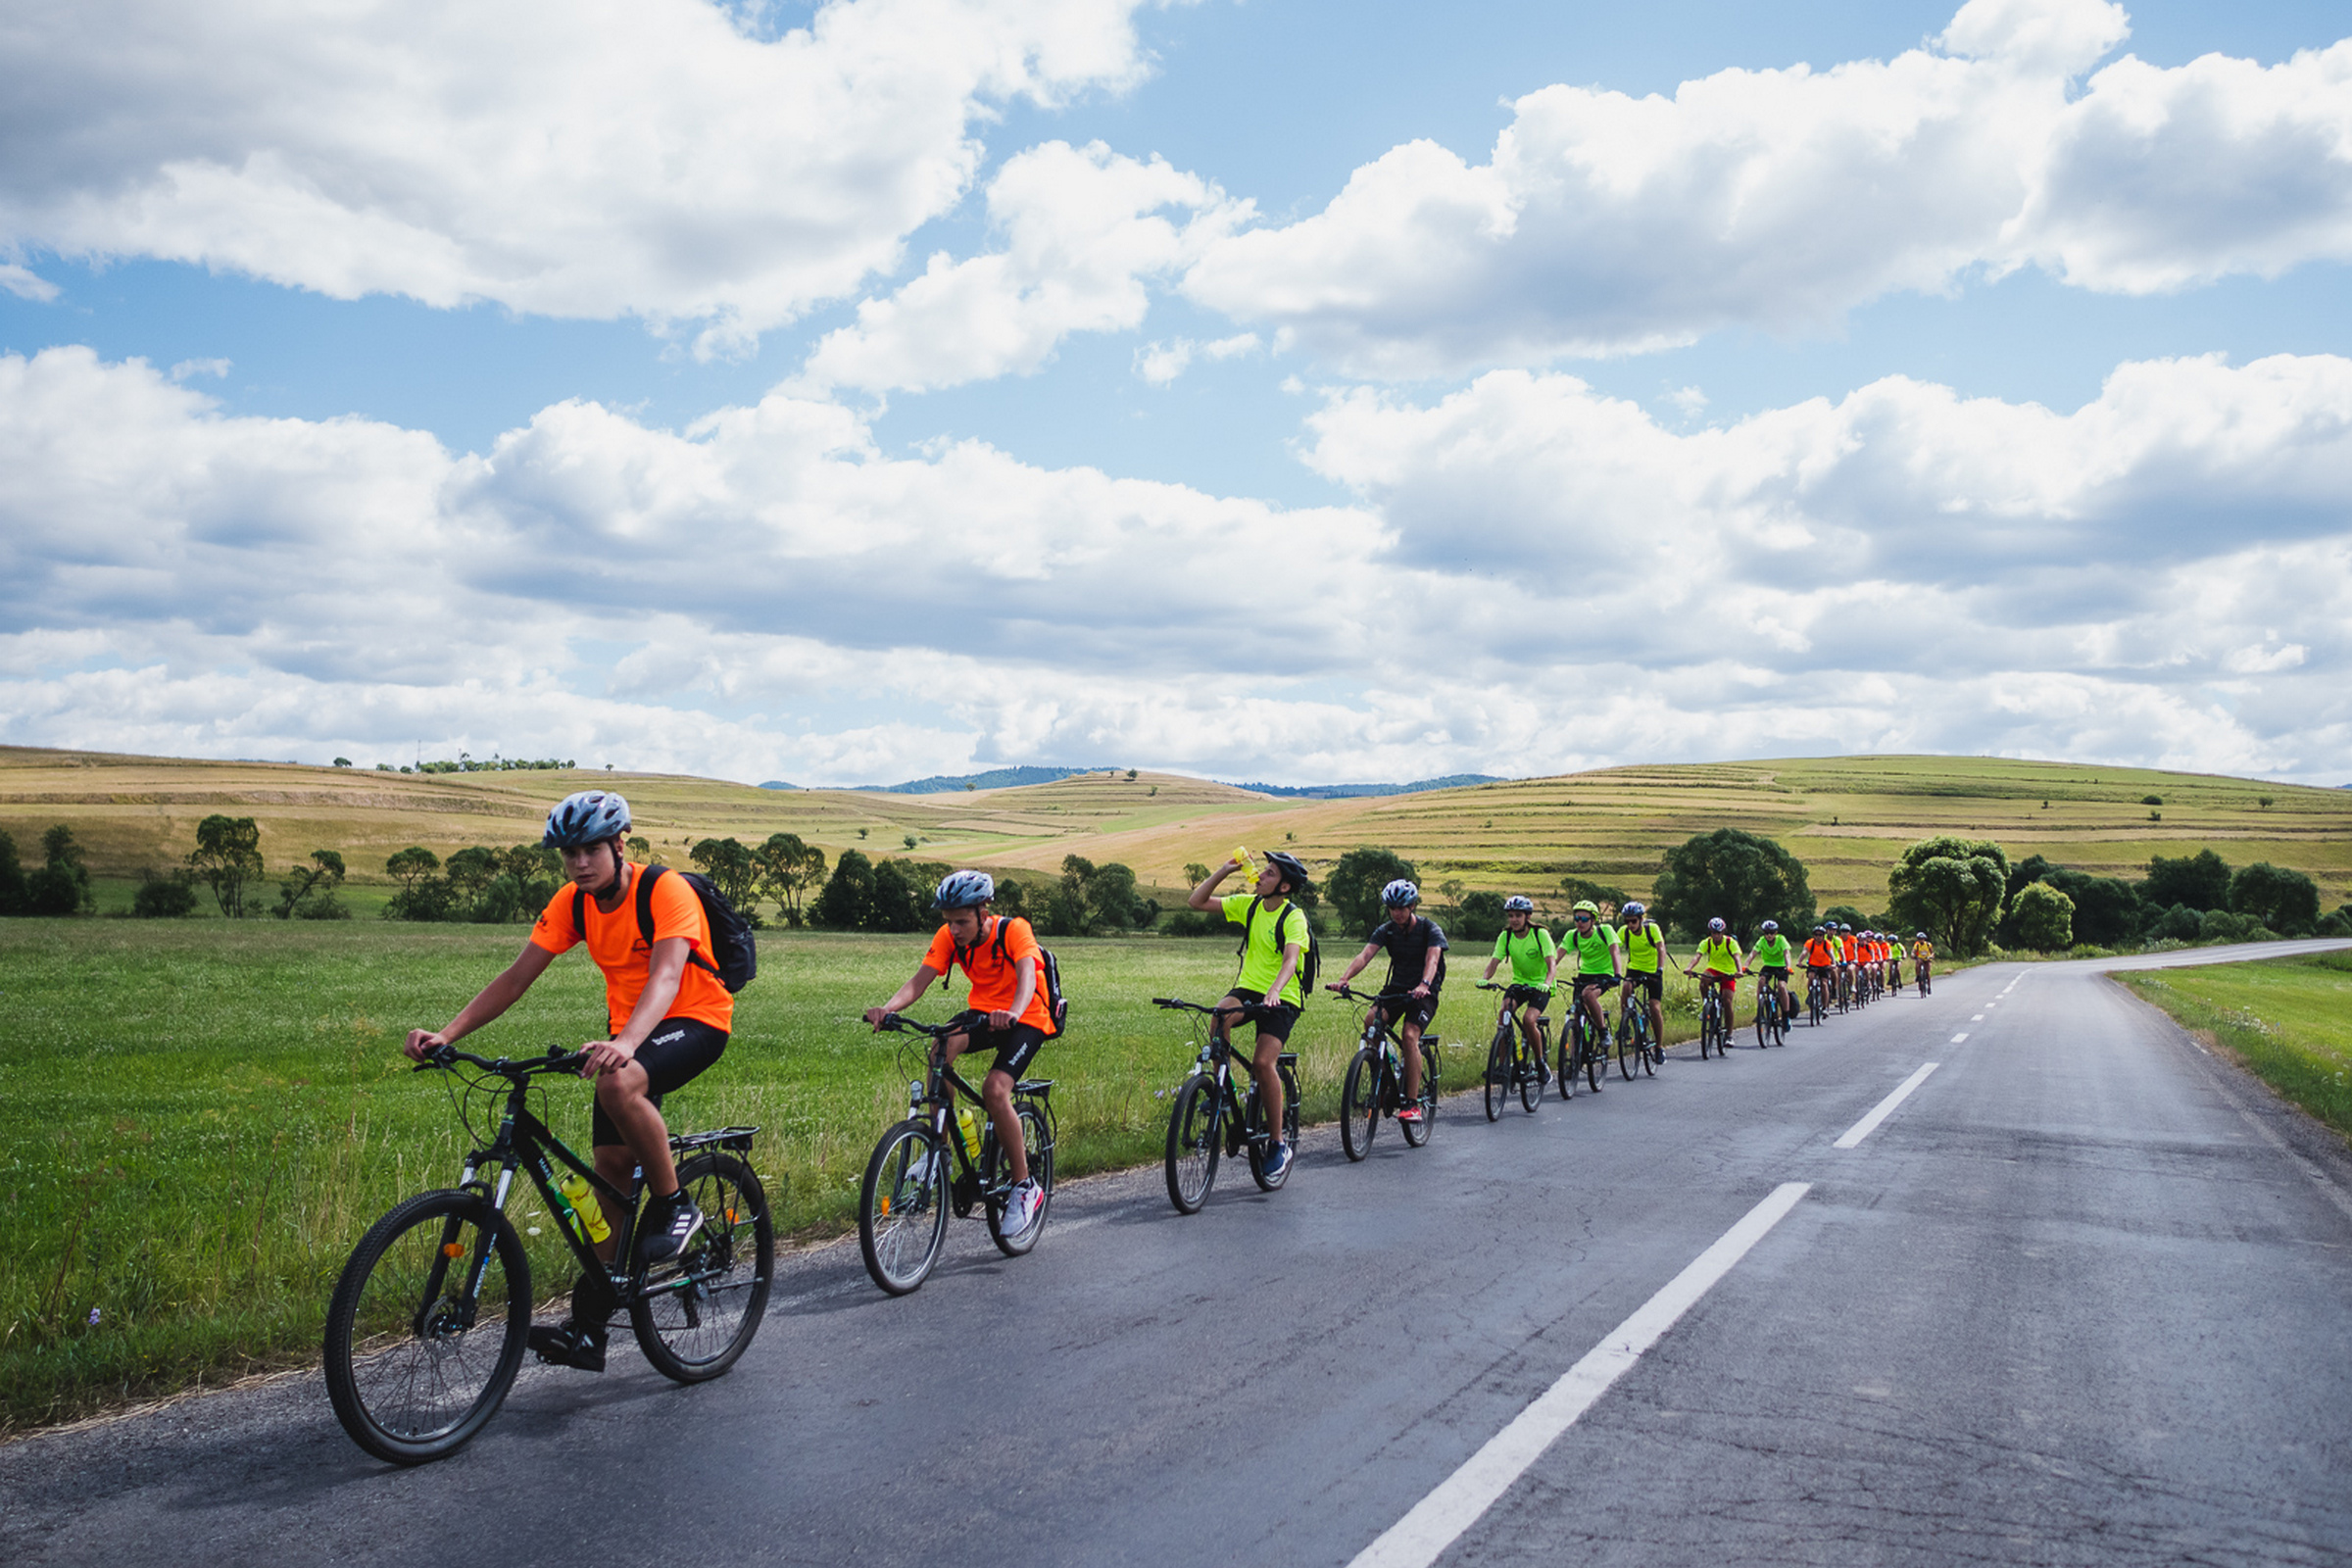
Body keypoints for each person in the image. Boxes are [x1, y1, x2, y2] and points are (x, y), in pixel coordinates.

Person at [404, 790, 729, 1373]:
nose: (579, 863)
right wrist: (448, 1034)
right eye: (568, 853)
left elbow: (666, 974)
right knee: (608, 1173)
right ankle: (589, 1330)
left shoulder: (665, 890)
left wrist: (626, 1045)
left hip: (694, 1020)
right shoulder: (574, 904)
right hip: (629, 1035)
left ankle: (676, 1205)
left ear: (619, 844)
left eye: (589, 850)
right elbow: (516, 977)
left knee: (617, 1083)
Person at [864, 870, 1050, 1236]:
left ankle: (1026, 1188)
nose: (954, 930)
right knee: (940, 1047)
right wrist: (888, 1009)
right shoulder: (949, 936)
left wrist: (1013, 1011)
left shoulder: (1014, 930)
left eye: (962, 921)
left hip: (1026, 1015)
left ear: (985, 911)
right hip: (984, 1013)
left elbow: (1028, 973)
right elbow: (920, 980)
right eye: (948, 922)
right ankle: (940, 1154)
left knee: (995, 1089)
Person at [1188, 850, 1315, 1179]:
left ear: (1284, 887)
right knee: (1219, 1017)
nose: (1260, 875)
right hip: (1249, 988)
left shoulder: (1293, 917)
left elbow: (1290, 960)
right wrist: (1223, 870)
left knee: (1262, 1064)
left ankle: (1277, 1143)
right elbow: (1196, 902)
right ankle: (1223, 1092)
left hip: (1283, 995)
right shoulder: (1251, 904)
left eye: (1270, 873)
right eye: (1264, 870)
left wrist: (1274, 991)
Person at [1329, 878, 1447, 1123]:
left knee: (1410, 1035)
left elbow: (1433, 961)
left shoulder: (1430, 929)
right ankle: (1384, 1077)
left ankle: (1412, 1104)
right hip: (1397, 988)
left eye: (1402, 908)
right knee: (1371, 1022)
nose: (1397, 913)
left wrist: (1424, 985)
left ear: (1412, 906)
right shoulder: (1387, 930)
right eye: (1392, 908)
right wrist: (1344, 979)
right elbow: (1365, 955)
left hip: (1424, 991)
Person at [1481, 895, 1556, 1077]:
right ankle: (1503, 1065)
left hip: (1540, 985)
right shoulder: (1505, 936)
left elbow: (1551, 965)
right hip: (1519, 983)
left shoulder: (1540, 934)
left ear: (1528, 916)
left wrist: (1546, 983)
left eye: (1518, 916)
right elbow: (1494, 962)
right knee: (1503, 1014)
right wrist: (1484, 978)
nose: (1513, 920)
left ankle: (1540, 1063)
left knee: (1529, 1020)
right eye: (1511, 916)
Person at [1560, 900, 1624, 1059]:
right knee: (1577, 1014)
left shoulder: (1605, 931)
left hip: (1604, 974)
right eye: (1577, 919)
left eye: (1584, 919)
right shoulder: (1572, 935)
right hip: (1584, 975)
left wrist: (1617, 975)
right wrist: (1546, 976)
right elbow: (1556, 957)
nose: (1579, 923)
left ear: (1593, 920)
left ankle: (1603, 1032)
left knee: (1588, 995)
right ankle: (1575, 1058)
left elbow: (1615, 951)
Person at [1616, 899, 1670, 1054]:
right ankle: (1625, 1024)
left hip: (1653, 970)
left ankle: (1659, 1047)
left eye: (1633, 921)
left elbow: (1661, 948)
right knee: (1626, 987)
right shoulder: (1624, 932)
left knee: (1654, 1007)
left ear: (1641, 919)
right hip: (1634, 968)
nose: (1630, 925)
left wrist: (1660, 968)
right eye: (1627, 921)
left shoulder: (1652, 929)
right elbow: (1614, 950)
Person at [1684, 917, 1743, 1037]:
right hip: (1714, 969)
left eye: (1719, 933)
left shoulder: (1730, 942)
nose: (1716, 936)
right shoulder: (1706, 942)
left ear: (1723, 932)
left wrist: (1739, 971)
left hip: (1729, 972)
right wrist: (1689, 968)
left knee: (1727, 1001)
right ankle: (1706, 1005)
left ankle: (1729, 1035)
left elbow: (1737, 957)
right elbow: (1697, 956)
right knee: (1704, 978)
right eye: (1713, 933)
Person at [1746, 919, 1793, 1028]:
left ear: (1776, 933)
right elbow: (1752, 954)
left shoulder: (1781, 939)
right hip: (1768, 965)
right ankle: (1760, 1011)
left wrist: (1789, 966)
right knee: (1761, 981)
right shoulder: (1761, 941)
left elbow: (1786, 953)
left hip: (1781, 966)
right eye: (1766, 933)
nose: (1769, 935)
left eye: (1771, 933)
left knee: (1781, 987)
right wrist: (1745, 966)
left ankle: (1786, 1016)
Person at [1802, 925, 1838, 1016]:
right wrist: (1799, 961)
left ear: (1823, 935)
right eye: (1816, 935)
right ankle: (1811, 994)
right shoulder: (1810, 942)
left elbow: (1831, 954)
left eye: (1820, 935)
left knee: (1824, 983)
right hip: (1813, 965)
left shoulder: (1827, 944)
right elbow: (1804, 952)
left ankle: (1825, 1007)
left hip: (1825, 966)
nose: (1818, 937)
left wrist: (1833, 963)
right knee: (1811, 977)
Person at [1911, 930, 1936, 994]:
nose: (1921, 940)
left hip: (1927, 958)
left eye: (1922, 939)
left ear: (1924, 939)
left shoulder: (1928, 944)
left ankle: (1929, 987)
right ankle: (1918, 975)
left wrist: (1931, 956)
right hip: (1920, 958)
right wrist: (1913, 955)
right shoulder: (1917, 945)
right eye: (1919, 939)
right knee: (1917, 965)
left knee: (1927, 972)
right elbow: (1913, 952)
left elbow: (1932, 952)